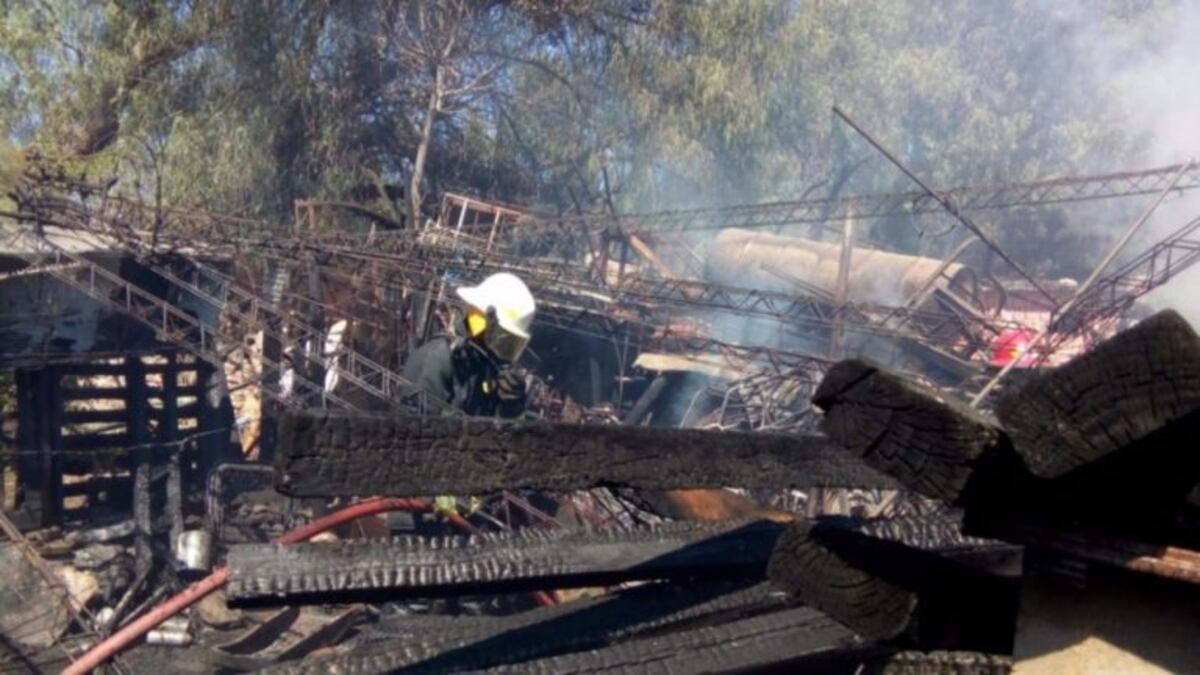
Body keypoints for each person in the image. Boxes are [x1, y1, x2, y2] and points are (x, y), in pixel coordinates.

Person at [403, 272, 535, 418]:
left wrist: (510, 408)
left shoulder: (482, 369)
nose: (503, 351)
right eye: (503, 338)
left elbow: (492, 431)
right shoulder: (437, 360)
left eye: (512, 343)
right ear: (484, 321)